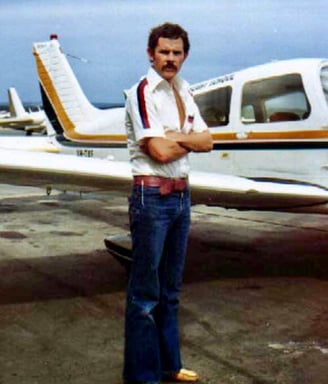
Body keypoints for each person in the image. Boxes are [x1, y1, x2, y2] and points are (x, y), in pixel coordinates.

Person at [123, 22, 213, 384]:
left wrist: (181, 137)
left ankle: (169, 366)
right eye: (164, 52)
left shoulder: (185, 91)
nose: (170, 59)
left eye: (177, 53)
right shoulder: (142, 92)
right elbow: (159, 151)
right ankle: (142, 377)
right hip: (152, 198)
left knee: (171, 291)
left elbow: (209, 141)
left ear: (184, 56)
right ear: (151, 54)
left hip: (180, 196)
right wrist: (187, 138)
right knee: (145, 295)